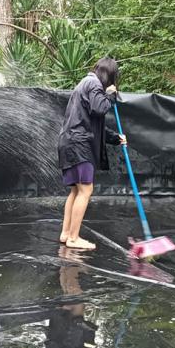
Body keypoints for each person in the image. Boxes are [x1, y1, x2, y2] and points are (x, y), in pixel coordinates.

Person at [58, 57, 126, 250]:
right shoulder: (94, 84)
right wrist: (111, 96)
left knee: (75, 190)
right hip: (79, 145)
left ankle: (66, 234)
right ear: (109, 75)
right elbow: (100, 108)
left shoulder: (85, 84)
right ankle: (74, 238)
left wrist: (116, 138)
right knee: (86, 191)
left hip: (70, 142)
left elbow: (91, 123)